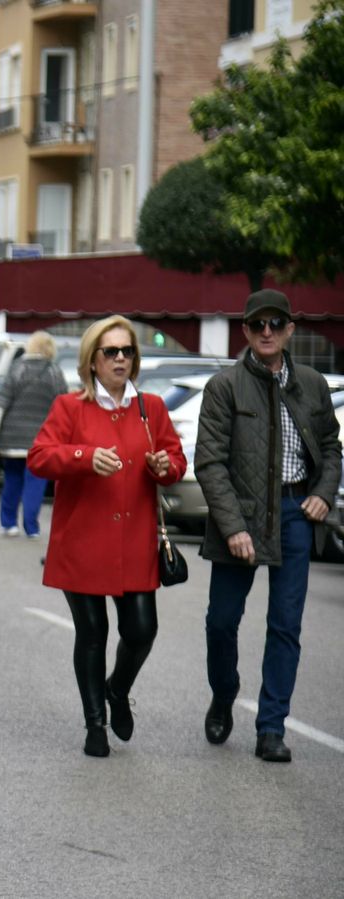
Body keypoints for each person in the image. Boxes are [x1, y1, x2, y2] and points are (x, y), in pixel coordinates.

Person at [28, 316, 186, 757]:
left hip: (135, 541)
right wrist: (83, 455)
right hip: (82, 540)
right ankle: (94, 724)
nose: (120, 359)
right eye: (110, 352)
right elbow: (40, 457)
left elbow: (175, 461)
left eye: (127, 351)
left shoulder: (150, 407)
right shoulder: (70, 407)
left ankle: (117, 689)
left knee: (142, 630)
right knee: (92, 631)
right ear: (92, 360)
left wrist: (164, 468)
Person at [196, 290, 341, 763]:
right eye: (258, 324)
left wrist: (321, 494)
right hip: (241, 519)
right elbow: (210, 463)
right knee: (221, 622)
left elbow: (332, 450)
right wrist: (234, 526)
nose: (266, 332)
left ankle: (271, 727)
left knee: (285, 626)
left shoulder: (314, 385)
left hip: (297, 513)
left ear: (289, 331)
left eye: (275, 324)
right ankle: (224, 693)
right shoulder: (224, 386)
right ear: (245, 330)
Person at [0, 331, 67, 539]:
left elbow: (1, 402)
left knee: (12, 479)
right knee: (35, 483)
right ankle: (31, 527)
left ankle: (8, 523)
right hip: (40, 441)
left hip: (12, 437)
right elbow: (63, 407)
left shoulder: (17, 368)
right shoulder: (55, 372)